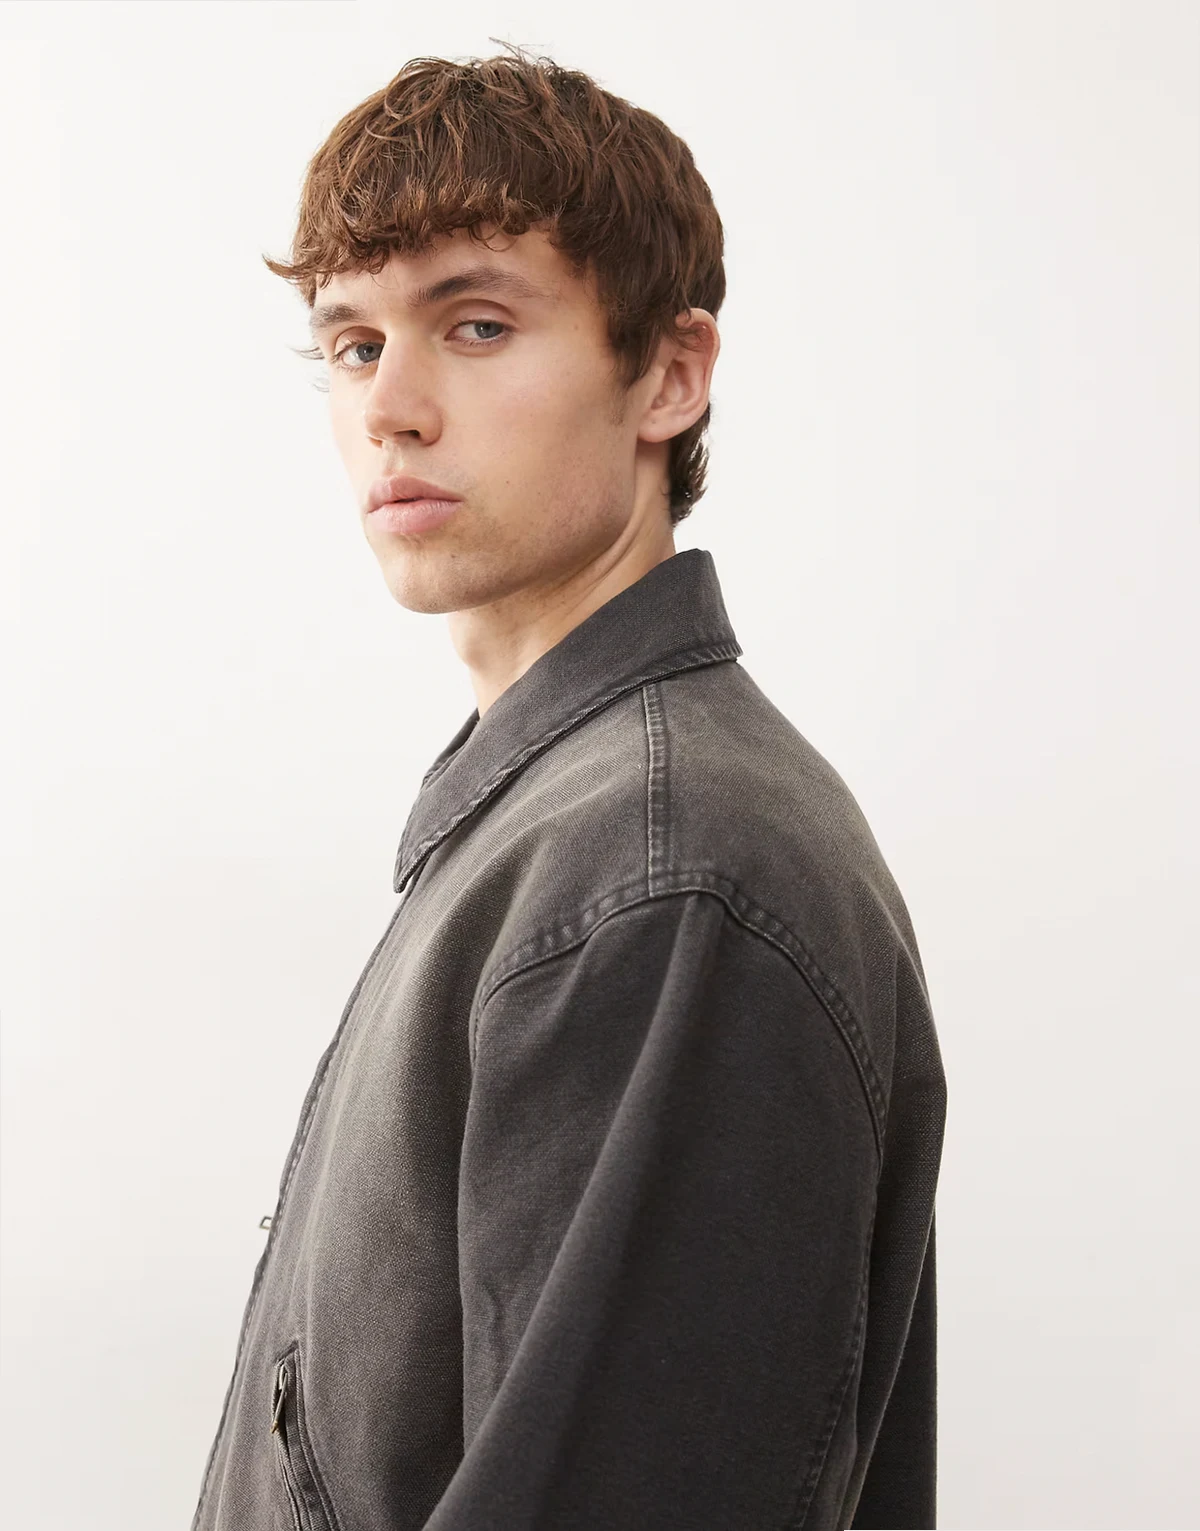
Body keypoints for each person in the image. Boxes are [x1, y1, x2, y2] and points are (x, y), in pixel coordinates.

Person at [190, 43, 947, 1531]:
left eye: (475, 325)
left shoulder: (658, 874)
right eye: (354, 344)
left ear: (667, 373)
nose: (393, 407)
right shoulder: (560, 826)